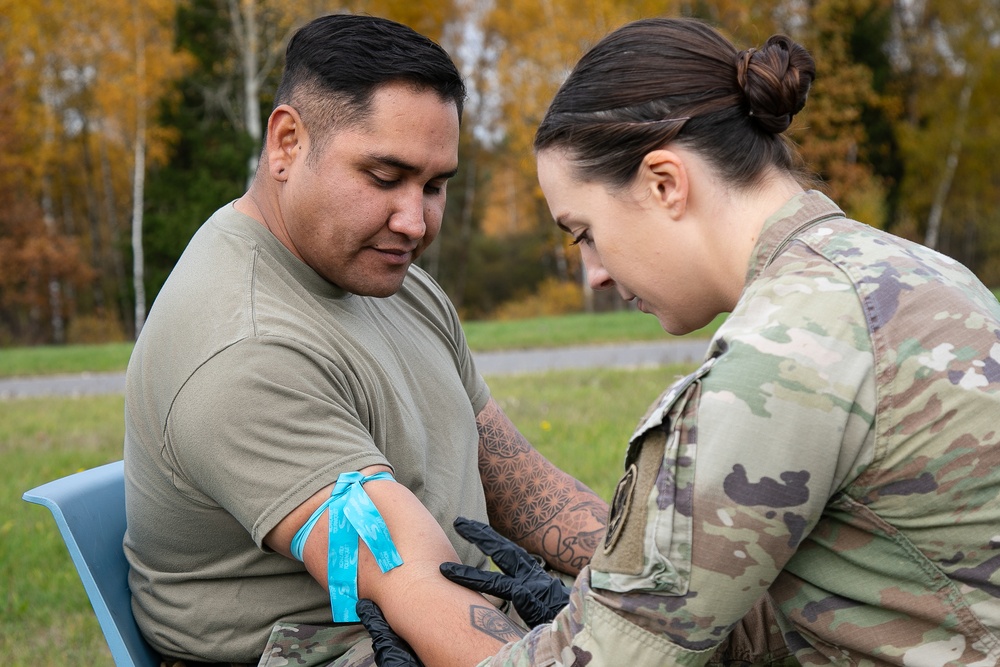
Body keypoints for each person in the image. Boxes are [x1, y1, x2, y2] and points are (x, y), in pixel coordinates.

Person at [359, 15, 1000, 666]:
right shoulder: (919, 272)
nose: (596, 272)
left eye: (584, 231)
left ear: (665, 183)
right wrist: (594, 609)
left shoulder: (786, 351)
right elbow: (843, 604)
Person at [122, 13, 608, 667]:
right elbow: (410, 581)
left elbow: (513, 476)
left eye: (435, 186)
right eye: (384, 177)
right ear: (288, 143)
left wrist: (658, 578)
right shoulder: (248, 348)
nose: (414, 221)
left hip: (449, 622)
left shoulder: (387, 278)